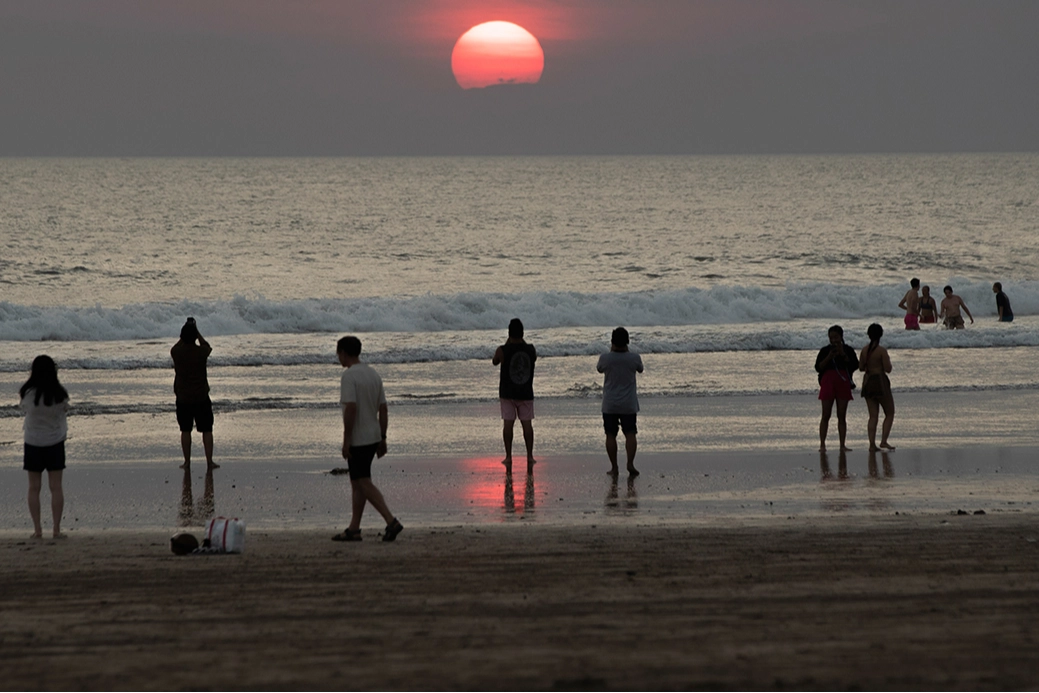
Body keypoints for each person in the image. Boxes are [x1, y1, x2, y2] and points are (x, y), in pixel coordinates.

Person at [331, 336, 403, 542]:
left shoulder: (349, 377)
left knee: (362, 481)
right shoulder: (373, 374)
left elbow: (351, 408)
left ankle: (391, 520)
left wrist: (346, 440)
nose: (338, 357)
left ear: (344, 352)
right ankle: (354, 528)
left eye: (339, 353)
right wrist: (382, 436)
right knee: (357, 482)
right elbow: (384, 409)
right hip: (372, 436)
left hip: (359, 438)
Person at [20, 355, 69, 539]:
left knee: (34, 487)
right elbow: (64, 410)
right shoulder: (59, 394)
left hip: (33, 442)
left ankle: (37, 529)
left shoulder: (28, 393)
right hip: (55, 441)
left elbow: (25, 409)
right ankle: (56, 529)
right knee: (56, 487)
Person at [171, 317, 218, 469]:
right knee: (207, 429)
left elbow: (175, 347)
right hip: (201, 397)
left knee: (185, 430)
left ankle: (187, 462)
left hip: (183, 397)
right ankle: (209, 461)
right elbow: (207, 346)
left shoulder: (177, 353)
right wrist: (197, 332)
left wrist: (184, 336)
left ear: (182, 337)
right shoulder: (201, 352)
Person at [597, 327, 644, 476]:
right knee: (630, 433)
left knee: (610, 435)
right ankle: (630, 463)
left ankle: (614, 467)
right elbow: (640, 369)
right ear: (627, 342)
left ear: (612, 342)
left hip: (610, 404)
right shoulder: (634, 358)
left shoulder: (605, 358)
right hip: (628, 403)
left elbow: (599, 369)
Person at [492, 318, 537, 472]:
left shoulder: (502, 350)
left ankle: (509, 456)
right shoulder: (531, 350)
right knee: (527, 425)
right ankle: (530, 456)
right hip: (525, 392)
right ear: (523, 333)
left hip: (507, 393)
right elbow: (533, 358)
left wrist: (507, 343)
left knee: (508, 424)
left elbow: (494, 361)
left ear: (509, 333)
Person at [815, 325, 858, 452]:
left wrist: (843, 355)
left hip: (843, 381)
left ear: (841, 336)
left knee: (842, 415)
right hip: (828, 381)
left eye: (836, 337)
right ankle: (822, 444)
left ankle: (842, 445)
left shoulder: (848, 350)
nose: (833, 340)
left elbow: (855, 365)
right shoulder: (824, 351)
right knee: (825, 415)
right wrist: (829, 357)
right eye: (831, 338)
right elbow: (818, 367)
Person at [858, 323, 895, 452]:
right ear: (881, 335)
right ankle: (884, 441)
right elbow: (888, 369)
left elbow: (861, 367)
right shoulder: (881, 351)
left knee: (873, 416)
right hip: (880, 381)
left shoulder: (864, 350)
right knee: (889, 412)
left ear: (868, 335)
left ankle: (872, 444)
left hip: (868, 382)